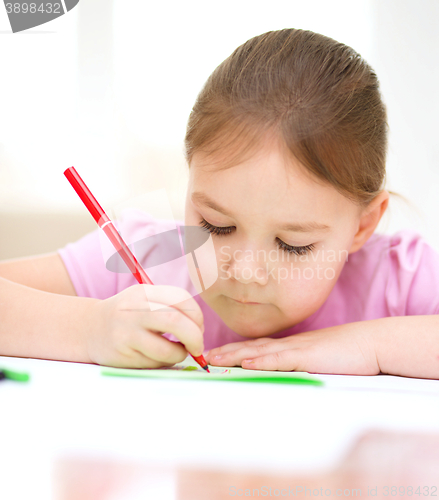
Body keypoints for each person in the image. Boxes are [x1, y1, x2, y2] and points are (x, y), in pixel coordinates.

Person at [1, 29, 439, 378]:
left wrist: (371, 344)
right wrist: (87, 329)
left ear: (363, 226)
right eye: (215, 225)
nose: (245, 271)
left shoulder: (397, 280)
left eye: (292, 243)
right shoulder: (147, 255)